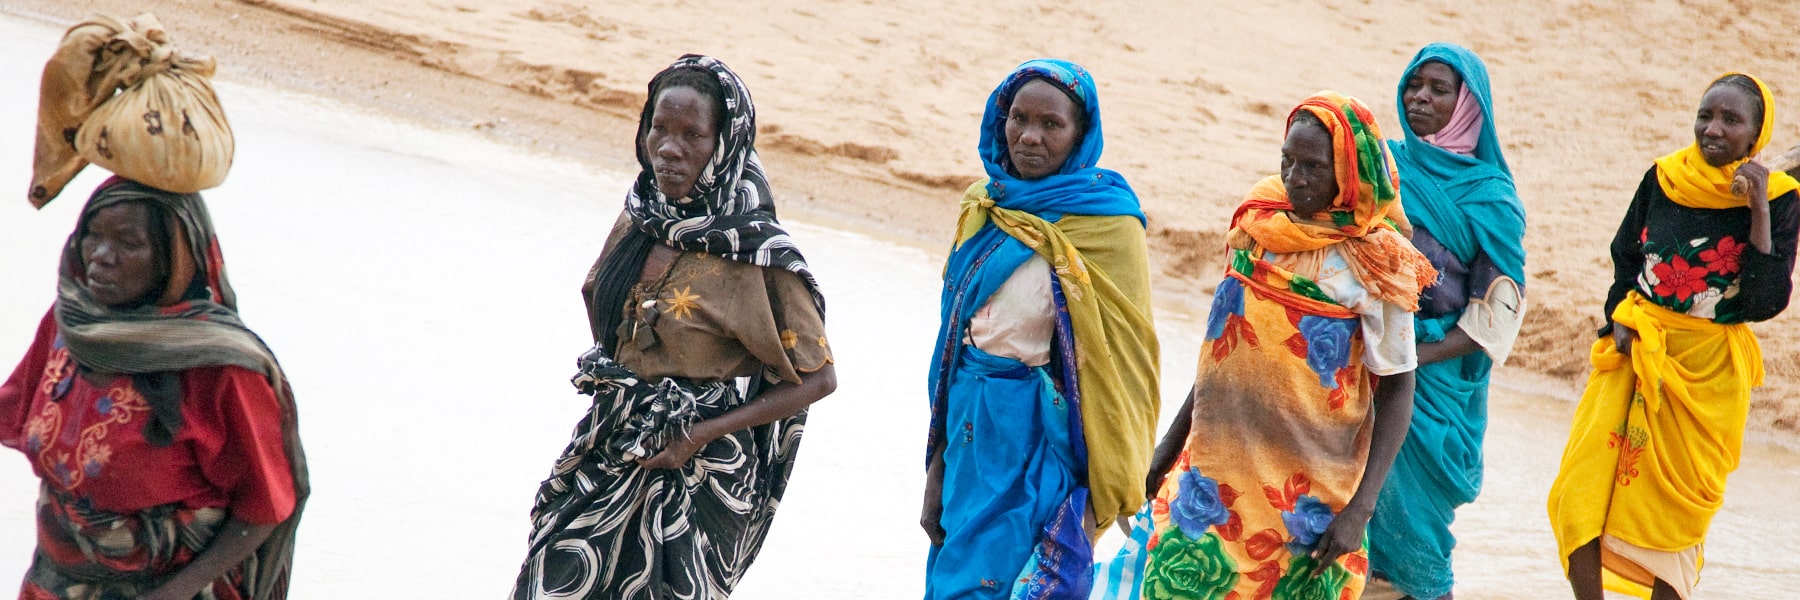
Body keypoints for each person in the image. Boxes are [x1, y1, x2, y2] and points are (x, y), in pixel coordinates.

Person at [509, 55, 836, 600]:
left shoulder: (757, 254)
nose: (669, 147)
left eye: (692, 135)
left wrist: (694, 434)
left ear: (724, 145)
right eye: (659, 128)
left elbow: (818, 379)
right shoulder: (640, 215)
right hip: (613, 442)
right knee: (551, 580)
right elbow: (601, 300)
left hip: (699, 474)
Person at [1095, 92, 1434, 600]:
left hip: (1305, 498)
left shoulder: (1375, 265)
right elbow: (1224, 355)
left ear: (1348, 173)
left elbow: (1399, 389)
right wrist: (1167, 448)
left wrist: (1360, 508)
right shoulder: (1258, 230)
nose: (1296, 177)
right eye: (1288, 161)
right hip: (1211, 480)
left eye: (1314, 166)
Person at [1546, 72, 1799, 600]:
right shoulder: (1663, 177)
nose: (1713, 128)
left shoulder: (1778, 198)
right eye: (1706, 114)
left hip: (1708, 373)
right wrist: (1618, 314)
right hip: (1638, 348)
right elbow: (1625, 256)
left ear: (1757, 135)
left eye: (1731, 120)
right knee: (1581, 490)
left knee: (1674, 515)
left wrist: (1756, 208)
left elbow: (1764, 301)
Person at [1, 178, 308, 600]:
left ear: (171, 259)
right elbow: (16, 408)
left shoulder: (218, 368)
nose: (101, 257)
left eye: (128, 243)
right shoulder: (71, 326)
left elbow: (266, 506)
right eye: (93, 235)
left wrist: (176, 592)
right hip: (57, 580)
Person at [922, 58, 1159, 598]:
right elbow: (951, 344)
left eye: (1052, 125)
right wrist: (935, 465)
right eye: (1019, 118)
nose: (1029, 137)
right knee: (955, 573)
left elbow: (1126, 364)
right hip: (967, 429)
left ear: (1081, 134)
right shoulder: (983, 207)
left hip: (1039, 441)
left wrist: (1107, 480)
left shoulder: (1108, 225)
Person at [1365, 43, 1528, 600]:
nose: (1420, 97)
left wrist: (1405, 358)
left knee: (1417, 539)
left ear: (1469, 105)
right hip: (1365, 359)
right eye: (1414, 84)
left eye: (1439, 89)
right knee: (1348, 531)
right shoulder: (1383, 166)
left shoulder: (1490, 197)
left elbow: (1494, 316)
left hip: (1434, 381)